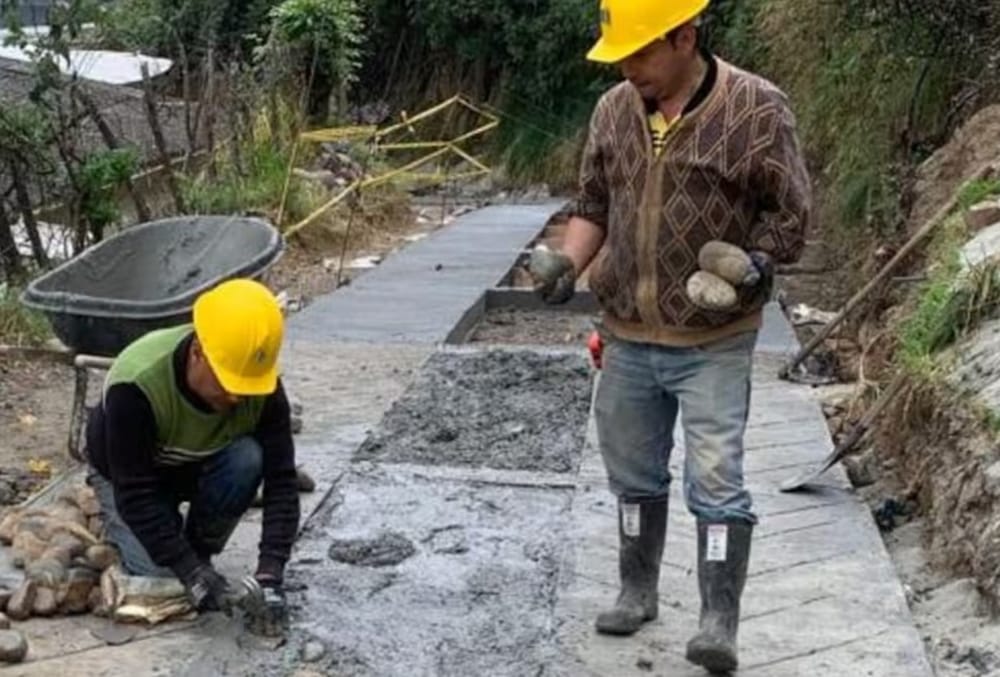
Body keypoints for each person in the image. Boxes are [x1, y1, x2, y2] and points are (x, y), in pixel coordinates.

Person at [529, 0, 811, 672]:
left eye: (642, 53)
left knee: (716, 479)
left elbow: (791, 216)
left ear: (686, 37)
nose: (630, 70)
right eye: (620, 56)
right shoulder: (612, 111)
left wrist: (755, 265)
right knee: (631, 471)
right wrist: (569, 261)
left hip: (713, 335)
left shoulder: (757, 110)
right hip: (627, 330)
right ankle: (637, 588)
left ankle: (717, 618)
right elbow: (593, 203)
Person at [84, 278, 300, 627]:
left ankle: (198, 548)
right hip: (130, 476)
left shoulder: (261, 386)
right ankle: (131, 534)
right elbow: (136, 493)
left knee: (248, 458)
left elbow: (282, 484)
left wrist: (270, 576)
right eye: (228, 385)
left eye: (245, 388)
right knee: (161, 578)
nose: (236, 399)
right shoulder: (136, 384)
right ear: (198, 351)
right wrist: (185, 570)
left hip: (197, 462)